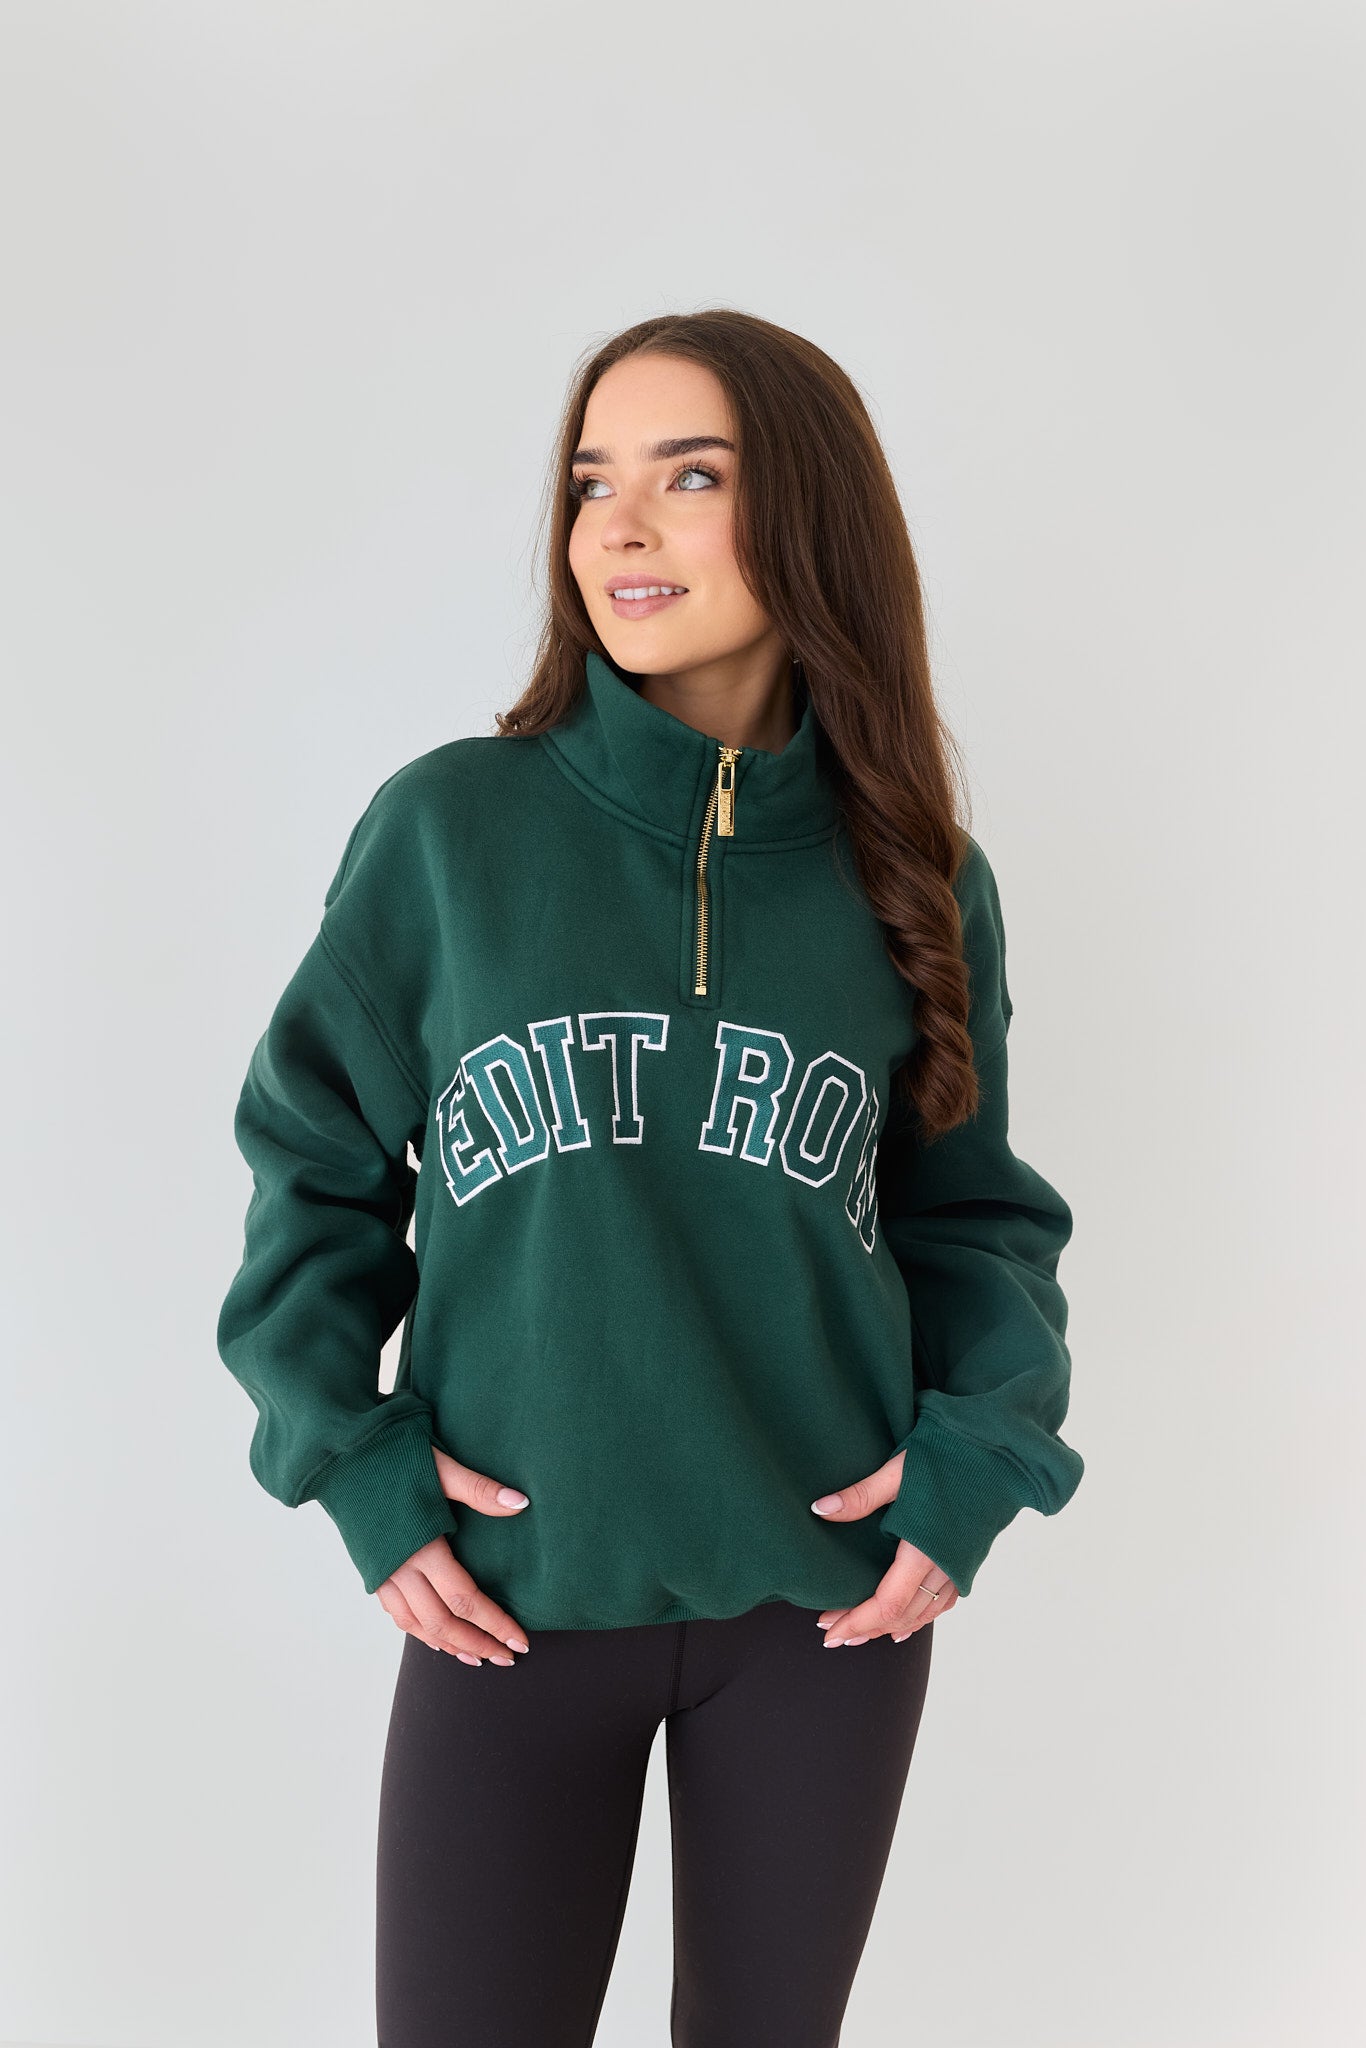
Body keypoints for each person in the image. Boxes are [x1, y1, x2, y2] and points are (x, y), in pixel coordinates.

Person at [216, 307, 1084, 2047]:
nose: (617, 524)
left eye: (689, 477)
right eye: (588, 481)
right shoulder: (451, 834)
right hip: (506, 1605)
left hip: (824, 1621)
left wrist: (972, 1464)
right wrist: (355, 1460)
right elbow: (312, 1162)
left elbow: (972, 1213)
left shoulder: (916, 872)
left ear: (810, 513)